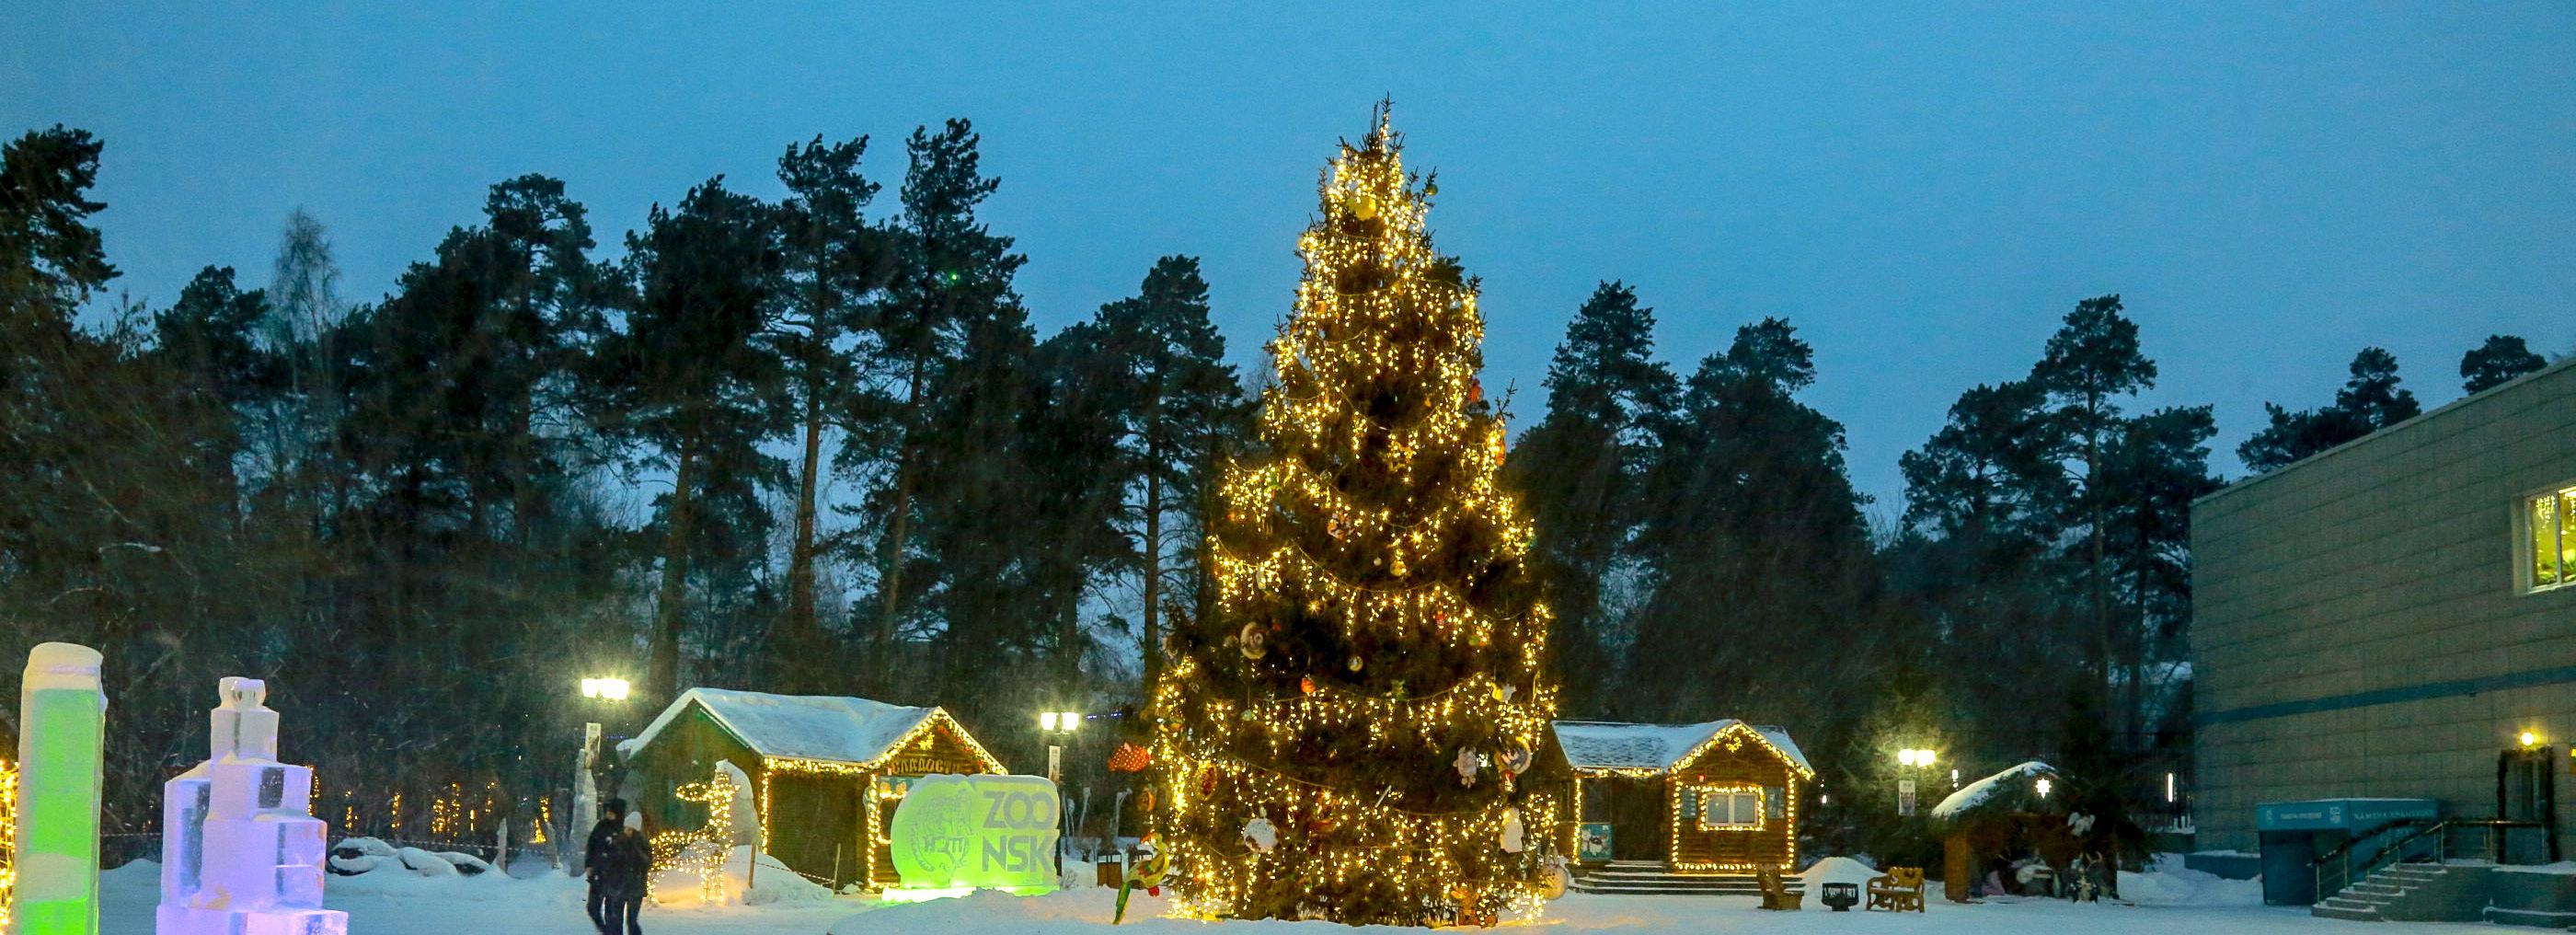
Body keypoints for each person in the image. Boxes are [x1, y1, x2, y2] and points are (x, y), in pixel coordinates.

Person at [585, 798, 649, 934]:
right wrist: (590, 865)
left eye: (612, 812)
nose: (608, 814)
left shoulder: (632, 836)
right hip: (604, 876)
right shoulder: (602, 827)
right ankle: (607, 931)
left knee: (623, 919)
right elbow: (593, 845)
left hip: (622, 882)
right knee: (597, 910)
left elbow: (641, 861)